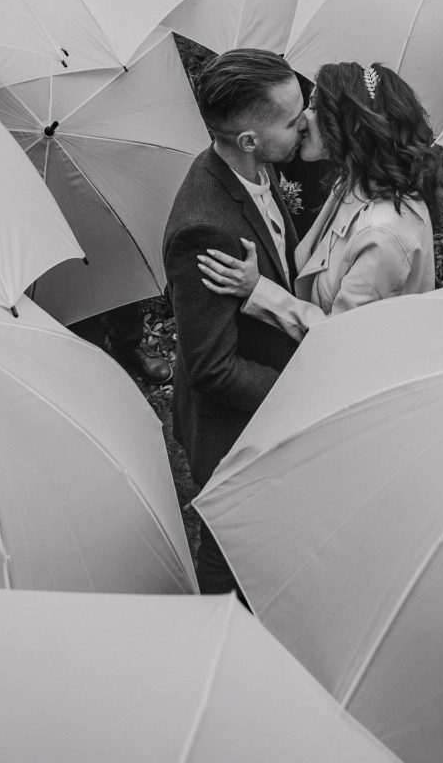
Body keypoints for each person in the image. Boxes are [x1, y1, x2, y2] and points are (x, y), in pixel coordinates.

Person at [162, 48, 307, 595]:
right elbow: (212, 368)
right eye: (293, 121)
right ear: (249, 140)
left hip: (262, 414)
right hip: (232, 434)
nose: (305, 124)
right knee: (229, 561)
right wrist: (300, 392)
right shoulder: (206, 228)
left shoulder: (253, 170)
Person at [196, 61, 440, 340]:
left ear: (348, 127)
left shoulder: (382, 235)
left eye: (313, 108)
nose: (302, 120)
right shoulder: (352, 181)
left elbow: (339, 336)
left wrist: (258, 291)